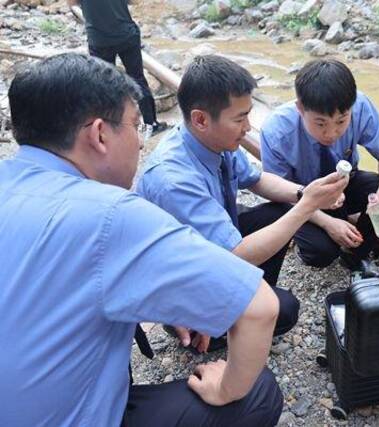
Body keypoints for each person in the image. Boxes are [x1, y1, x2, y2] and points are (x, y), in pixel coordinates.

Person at [0, 53, 284, 427]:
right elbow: (259, 307)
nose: (140, 143)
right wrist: (226, 389)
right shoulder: (112, 213)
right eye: (137, 126)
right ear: (99, 134)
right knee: (258, 391)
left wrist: (160, 301)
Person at [136, 55, 348, 353]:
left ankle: (249, 293)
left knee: (280, 210)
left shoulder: (212, 141)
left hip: (208, 250)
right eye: (239, 118)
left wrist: (304, 193)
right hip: (182, 283)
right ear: (200, 119)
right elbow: (235, 254)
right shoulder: (174, 179)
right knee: (283, 310)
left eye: (248, 115)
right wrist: (307, 206)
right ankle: (206, 326)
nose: (248, 127)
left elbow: (257, 179)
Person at [260, 59, 379, 278]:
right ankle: (305, 243)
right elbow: (279, 193)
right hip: (300, 195)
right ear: (300, 108)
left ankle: (356, 254)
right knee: (321, 252)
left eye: (341, 121)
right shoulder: (276, 131)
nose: (331, 133)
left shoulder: (361, 105)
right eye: (320, 124)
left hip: (343, 184)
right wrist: (328, 223)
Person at [68, 0, 168, 135]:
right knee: (137, 78)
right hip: (125, 35)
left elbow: (72, 4)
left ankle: (113, 128)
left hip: (99, 39)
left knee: (105, 85)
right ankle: (150, 124)